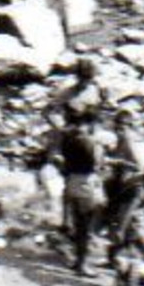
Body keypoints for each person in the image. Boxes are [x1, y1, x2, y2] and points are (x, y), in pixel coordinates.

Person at [57, 117, 105, 277]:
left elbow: (63, 164)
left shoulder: (69, 141)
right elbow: (97, 165)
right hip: (86, 184)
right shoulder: (92, 143)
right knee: (86, 227)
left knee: (78, 224)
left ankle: (78, 262)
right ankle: (82, 265)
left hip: (71, 182)